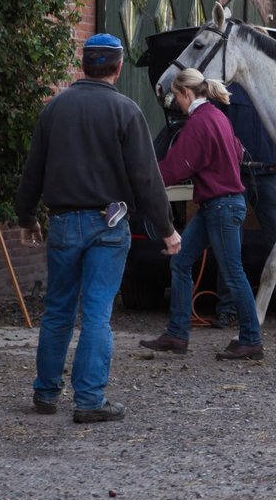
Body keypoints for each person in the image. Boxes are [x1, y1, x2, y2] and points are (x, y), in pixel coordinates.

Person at [16, 33, 181, 424]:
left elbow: (32, 170)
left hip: (62, 222)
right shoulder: (126, 111)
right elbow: (146, 177)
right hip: (108, 225)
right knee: (95, 313)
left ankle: (46, 392)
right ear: (118, 67)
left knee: (57, 310)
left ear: (84, 64)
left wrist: (25, 217)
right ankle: (89, 400)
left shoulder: (54, 109)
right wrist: (167, 228)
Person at [139, 68, 264, 361]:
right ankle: (177, 334)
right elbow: (235, 153)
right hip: (222, 204)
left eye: (176, 98)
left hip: (219, 206)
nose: (177, 104)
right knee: (181, 261)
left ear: (186, 92)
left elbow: (176, 166)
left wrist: (144, 180)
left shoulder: (198, 123)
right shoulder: (218, 117)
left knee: (233, 274)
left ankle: (251, 340)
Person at [212, 82, 276, 331]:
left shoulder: (275, 89)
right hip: (235, 176)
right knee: (230, 242)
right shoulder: (225, 89)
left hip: (269, 175)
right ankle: (228, 308)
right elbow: (216, 129)